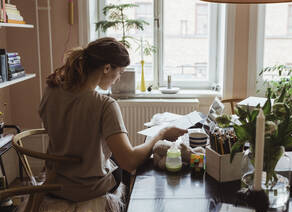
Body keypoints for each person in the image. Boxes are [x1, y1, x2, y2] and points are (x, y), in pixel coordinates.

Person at [39, 37, 187, 202]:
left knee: (115, 156)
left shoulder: (51, 90)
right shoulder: (104, 104)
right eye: (120, 73)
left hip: (55, 180)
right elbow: (129, 162)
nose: (118, 79)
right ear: (107, 68)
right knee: (131, 165)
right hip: (86, 188)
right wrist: (161, 134)